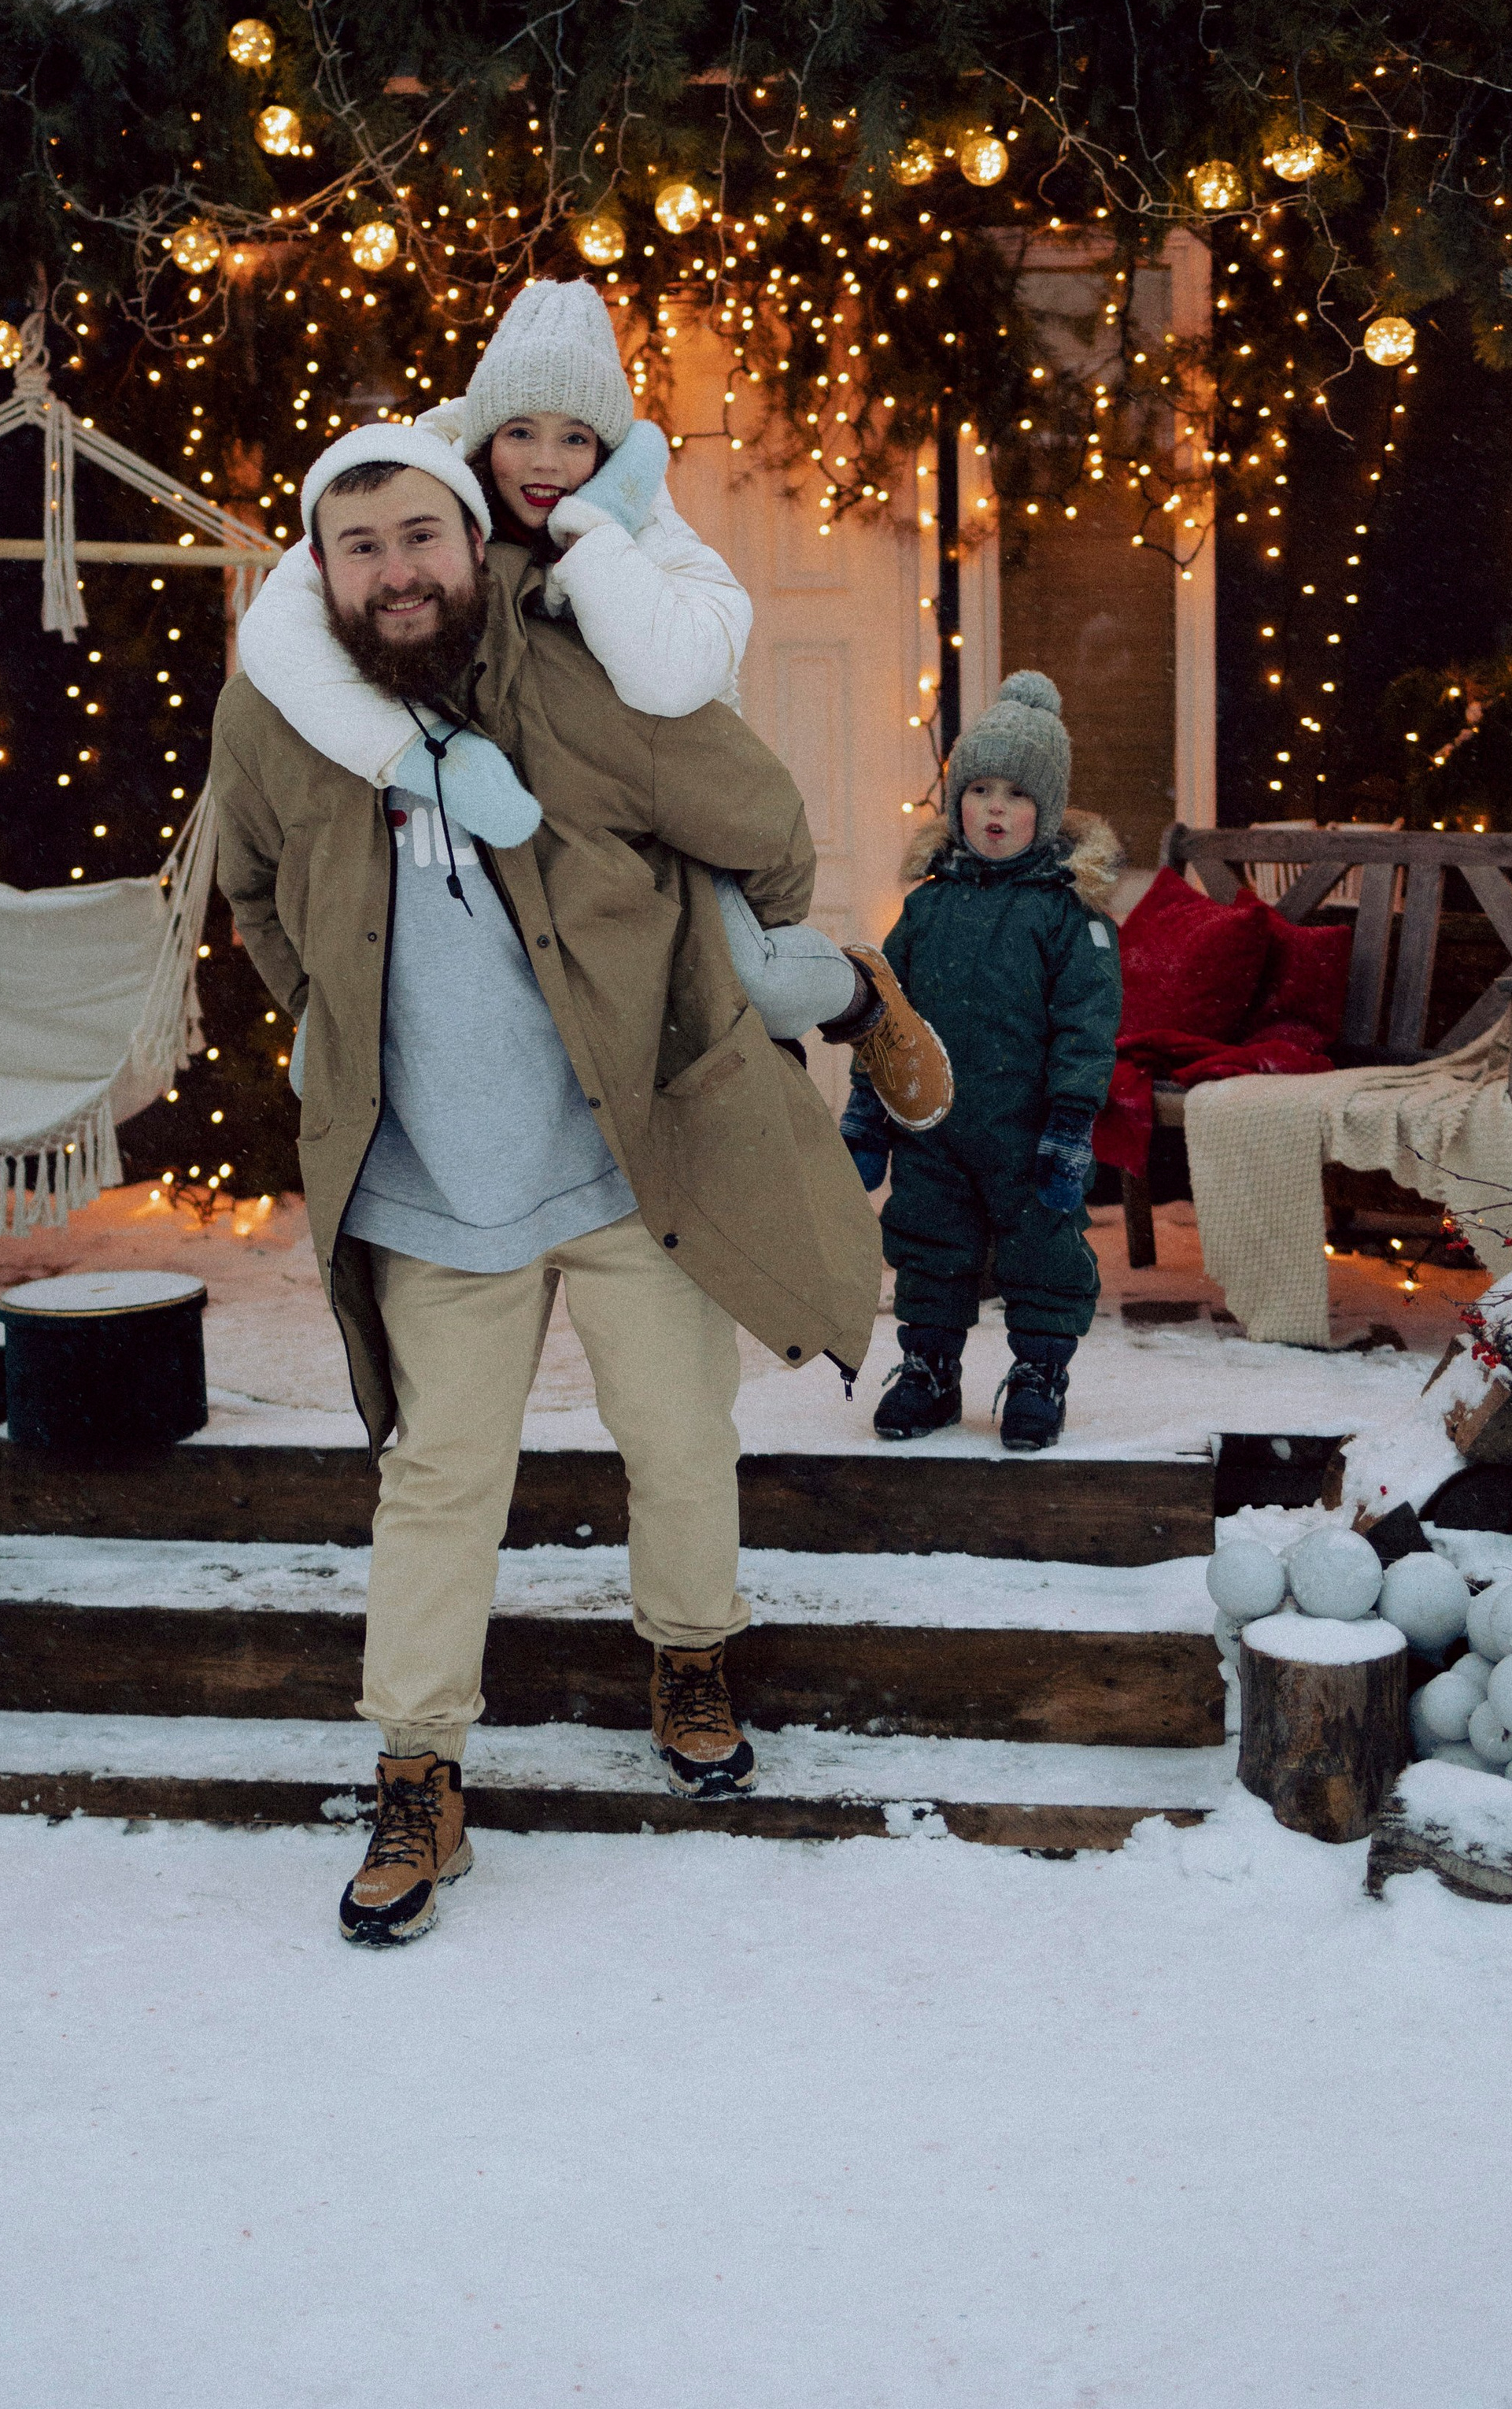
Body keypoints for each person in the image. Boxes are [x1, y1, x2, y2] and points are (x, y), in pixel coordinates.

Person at [210, 420, 916, 1947]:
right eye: (361, 547)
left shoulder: (575, 668)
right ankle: (418, 1774)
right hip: (427, 1182)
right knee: (438, 1479)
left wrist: (712, 967)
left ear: (475, 541)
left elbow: (758, 820)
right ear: (320, 568)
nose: (397, 572)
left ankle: (689, 1659)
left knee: (680, 1436)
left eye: (422, 536)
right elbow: (254, 889)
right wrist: (333, 1016)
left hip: (623, 1157)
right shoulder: (273, 711)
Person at [237, 276, 954, 1093]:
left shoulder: (648, 531)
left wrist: (593, 533)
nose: (546, 461)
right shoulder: (417, 497)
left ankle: (861, 997)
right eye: (520, 432)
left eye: (575, 438)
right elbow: (278, 631)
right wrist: (424, 757)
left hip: (661, 806)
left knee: (757, 985)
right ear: (484, 435)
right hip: (522, 808)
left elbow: (669, 678)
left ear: (607, 453)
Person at [844, 673, 1123, 1452]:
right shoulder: (926, 906)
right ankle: (930, 1372)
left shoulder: (1067, 915)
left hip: (1027, 1128)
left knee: (1044, 1249)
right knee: (928, 1241)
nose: (995, 809)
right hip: (931, 1125)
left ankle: (1039, 1375)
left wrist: (1070, 1122)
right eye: (979, 790)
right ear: (956, 800)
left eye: (1017, 794)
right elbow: (884, 1013)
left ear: (1047, 809)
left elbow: (1087, 1024)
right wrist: (867, 1111)